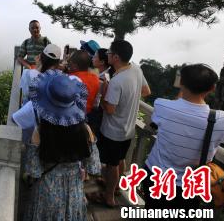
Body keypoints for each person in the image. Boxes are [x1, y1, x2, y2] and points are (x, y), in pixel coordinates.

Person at [142, 64, 224, 210]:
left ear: (181, 83)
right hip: (189, 186)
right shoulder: (222, 119)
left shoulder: (162, 105)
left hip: (156, 177)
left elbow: (169, 113)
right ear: (212, 89)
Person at [23, 70, 91, 221]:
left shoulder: (40, 131)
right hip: (74, 192)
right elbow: (93, 167)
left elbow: (33, 170)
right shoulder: (85, 130)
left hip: (46, 192)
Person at [92, 39, 151, 208]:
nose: (107, 54)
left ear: (116, 57)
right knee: (119, 160)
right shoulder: (136, 69)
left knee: (111, 165)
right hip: (128, 129)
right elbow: (146, 91)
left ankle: (108, 197)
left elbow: (109, 109)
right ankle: (116, 186)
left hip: (113, 131)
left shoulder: (117, 81)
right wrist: (129, 97)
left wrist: (103, 93)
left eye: (110, 53)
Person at [68, 50, 100, 114]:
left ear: (75, 66)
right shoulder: (95, 78)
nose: (68, 65)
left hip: (71, 116)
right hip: (86, 115)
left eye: (69, 63)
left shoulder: (70, 79)